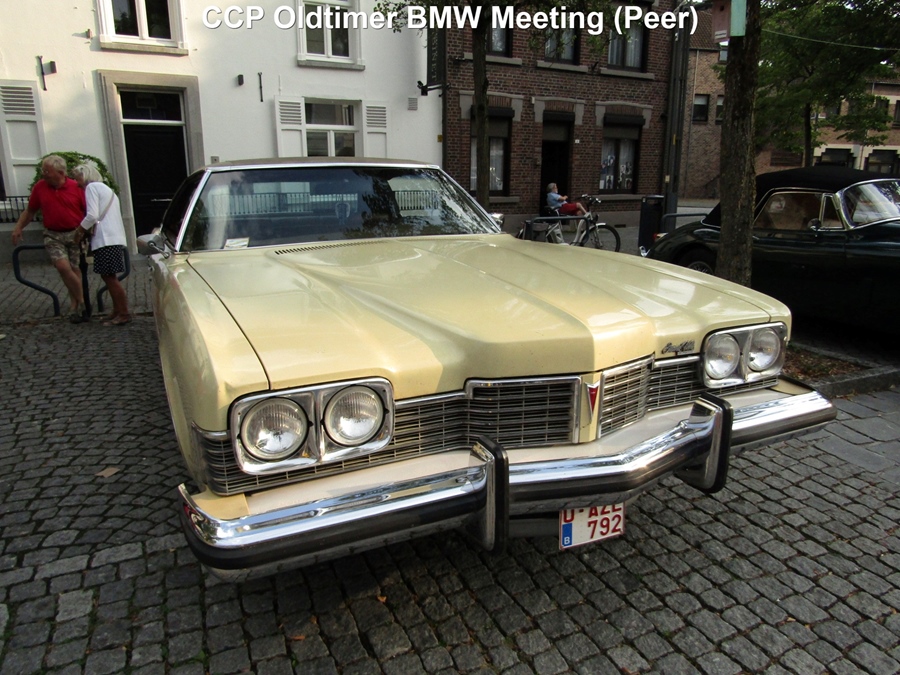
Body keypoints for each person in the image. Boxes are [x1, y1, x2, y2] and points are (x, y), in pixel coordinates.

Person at [11, 155, 87, 322]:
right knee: (62, 266)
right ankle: (82, 300)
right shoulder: (40, 187)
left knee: (74, 269)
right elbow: (30, 211)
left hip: (75, 233)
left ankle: (75, 306)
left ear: (60, 173)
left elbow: (88, 211)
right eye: (43, 170)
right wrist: (18, 227)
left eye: (47, 171)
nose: (43, 174)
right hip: (53, 234)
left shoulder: (76, 187)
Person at [70, 164, 131, 326]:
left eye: (77, 178)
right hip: (113, 237)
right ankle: (117, 310)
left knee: (109, 277)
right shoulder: (107, 190)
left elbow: (92, 215)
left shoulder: (92, 188)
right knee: (109, 276)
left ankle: (123, 313)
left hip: (105, 239)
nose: (76, 182)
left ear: (85, 176)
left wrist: (79, 231)